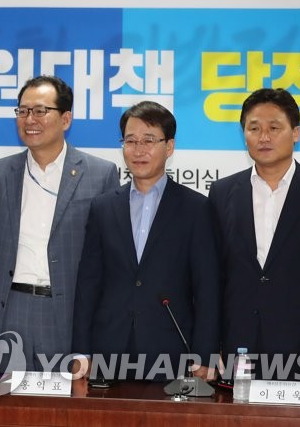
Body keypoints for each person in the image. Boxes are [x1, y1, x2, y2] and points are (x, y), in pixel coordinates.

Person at [72, 101, 219, 381]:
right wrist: (81, 350)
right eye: (130, 141)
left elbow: (207, 288)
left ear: (169, 146)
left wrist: (205, 354)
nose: (138, 150)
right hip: (109, 348)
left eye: (149, 140)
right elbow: (88, 283)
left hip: (171, 349)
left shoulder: (195, 208)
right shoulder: (103, 207)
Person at [0, 75, 118, 371]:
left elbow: (109, 263)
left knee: (66, 399)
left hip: (68, 315)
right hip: (9, 311)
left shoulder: (100, 174)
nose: (30, 119)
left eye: (40, 111)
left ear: (66, 119)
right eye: (23, 111)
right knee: (5, 398)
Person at [209, 88, 300, 384]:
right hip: (237, 344)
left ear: (296, 133)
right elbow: (214, 276)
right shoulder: (222, 193)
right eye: (254, 128)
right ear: (244, 134)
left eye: (274, 128)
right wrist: (211, 343)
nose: (263, 137)